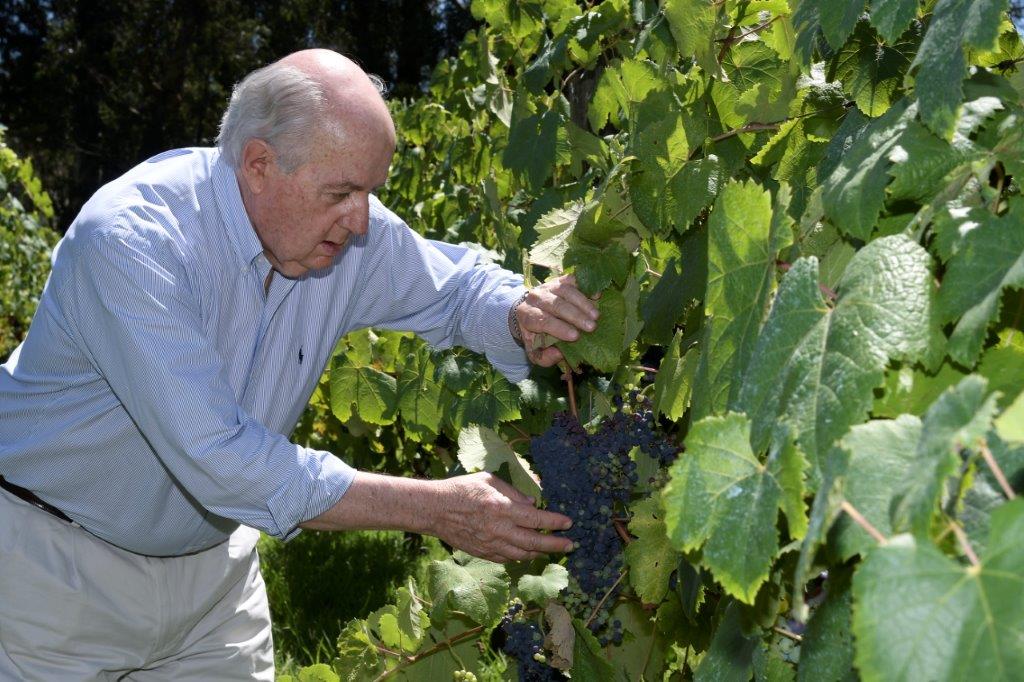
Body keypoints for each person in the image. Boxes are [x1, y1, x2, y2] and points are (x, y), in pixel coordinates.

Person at [0, 49, 599, 680]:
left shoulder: (342, 232)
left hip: (214, 583)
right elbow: (223, 459)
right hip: (57, 575)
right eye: (342, 192)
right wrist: (434, 509)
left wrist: (519, 316)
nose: (362, 219)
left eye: (369, 191)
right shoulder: (134, 243)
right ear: (258, 164)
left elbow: (455, 291)